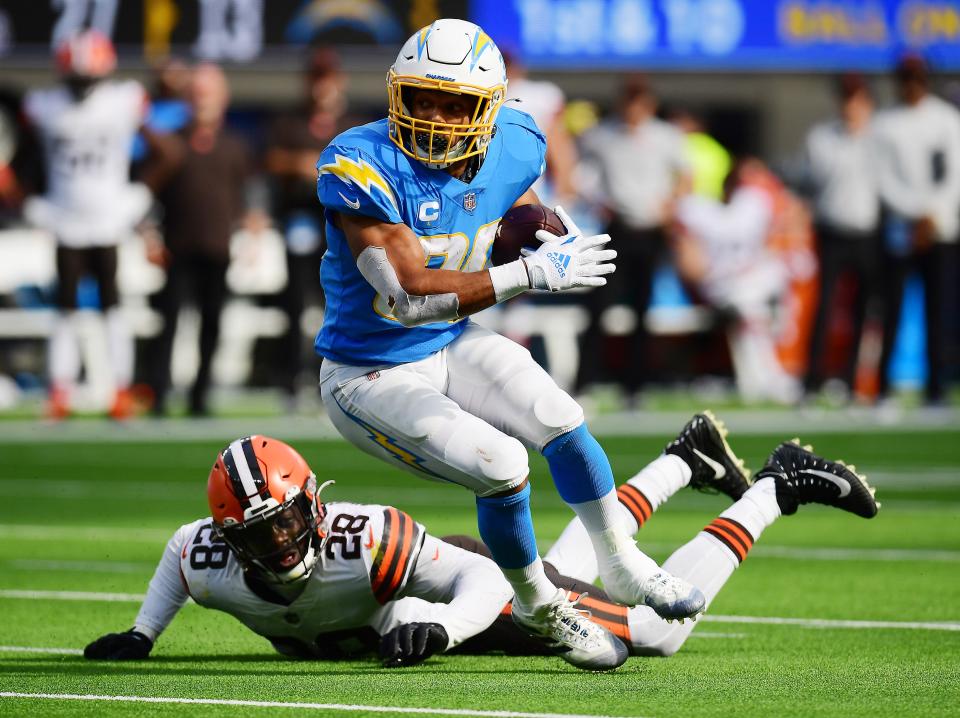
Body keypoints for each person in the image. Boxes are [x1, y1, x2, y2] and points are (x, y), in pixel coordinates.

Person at [311, 18, 700, 672]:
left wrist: (544, 229)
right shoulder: (360, 164)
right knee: (502, 464)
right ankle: (539, 606)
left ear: (488, 110)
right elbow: (407, 297)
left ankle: (622, 561)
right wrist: (526, 274)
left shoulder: (516, 141)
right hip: (369, 371)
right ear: (394, 94)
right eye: (420, 99)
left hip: (450, 339)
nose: (433, 117)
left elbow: (512, 201)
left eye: (453, 102)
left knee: (561, 417)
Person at [83, 420, 878, 667]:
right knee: (577, 565)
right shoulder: (208, 556)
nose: (284, 539)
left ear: (313, 506)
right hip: (438, 607)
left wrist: (444, 628)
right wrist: (142, 634)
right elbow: (179, 560)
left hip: (460, 582)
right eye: (263, 532)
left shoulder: (369, 542)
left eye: (289, 519)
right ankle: (684, 461)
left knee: (654, 634)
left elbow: (494, 585)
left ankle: (778, 485)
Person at [22, 30, 152, 420]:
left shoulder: (121, 102)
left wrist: (140, 192)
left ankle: (120, 391)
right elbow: (22, 161)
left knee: (111, 307)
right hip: (65, 218)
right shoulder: (45, 106)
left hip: (109, 218)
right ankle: (60, 391)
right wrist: (24, 198)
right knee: (65, 309)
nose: (82, 87)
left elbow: (164, 151)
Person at [143, 63, 253, 417]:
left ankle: (199, 396)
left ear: (222, 98)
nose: (203, 99)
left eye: (208, 93)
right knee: (169, 322)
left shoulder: (235, 146)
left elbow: (248, 200)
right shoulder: (170, 144)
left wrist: (252, 235)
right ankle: (158, 393)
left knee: (211, 325)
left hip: (218, 249)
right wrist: (148, 236)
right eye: (197, 93)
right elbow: (145, 194)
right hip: (176, 248)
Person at [574, 74, 693, 399]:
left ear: (649, 104)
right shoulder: (602, 135)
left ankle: (635, 386)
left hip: (651, 230)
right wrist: (598, 200)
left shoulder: (666, 136)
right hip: (618, 228)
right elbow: (579, 171)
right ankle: (584, 381)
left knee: (642, 309)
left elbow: (686, 175)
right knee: (598, 305)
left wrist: (670, 205)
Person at [264, 47, 361, 405]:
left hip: (343, 226)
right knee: (295, 302)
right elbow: (270, 159)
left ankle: (340, 375)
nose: (322, 88)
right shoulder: (290, 123)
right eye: (316, 80)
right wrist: (299, 163)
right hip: (302, 222)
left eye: (328, 80)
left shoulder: (353, 124)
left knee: (340, 302)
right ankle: (291, 379)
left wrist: (325, 166)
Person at [674, 158, 801, 404]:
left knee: (754, 306)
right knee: (749, 308)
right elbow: (692, 267)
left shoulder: (756, 207)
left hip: (752, 287)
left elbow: (778, 239)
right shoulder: (699, 210)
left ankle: (758, 380)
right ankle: (770, 378)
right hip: (722, 288)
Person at [873, 54, 960, 406]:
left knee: (939, 309)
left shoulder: (947, 120)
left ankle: (936, 388)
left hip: (940, 228)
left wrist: (932, 214)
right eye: (906, 78)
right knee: (891, 308)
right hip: (901, 229)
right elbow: (883, 179)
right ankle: (883, 387)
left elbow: (954, 176)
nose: (911, 85)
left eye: (917, 78)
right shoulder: (885, 124)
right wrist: (913, 214)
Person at [801, 74, 882, 401]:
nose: (851, 106)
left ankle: (852, 381)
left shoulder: (880, 139)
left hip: (868, 233)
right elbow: (814, 183)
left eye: (857, 99)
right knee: (824, 307)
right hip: (832, 230)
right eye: (847, 99)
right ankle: (812, 382)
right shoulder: (822, 138)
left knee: (864, 310)